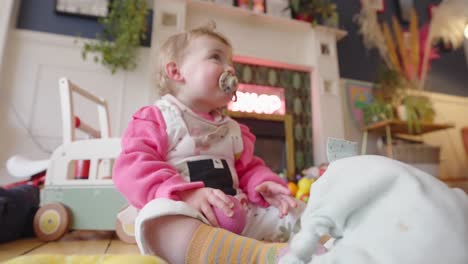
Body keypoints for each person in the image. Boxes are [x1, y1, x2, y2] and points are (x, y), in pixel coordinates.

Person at [113, 23, 307, 264]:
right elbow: (133, 166)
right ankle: (257, 255)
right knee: (156, 218)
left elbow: (248, 168)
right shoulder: (157, 117)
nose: (230, 70)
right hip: (188, 213)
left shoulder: (234, 130)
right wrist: (186, 195)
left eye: (231, 64)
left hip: (239, 212)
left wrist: (263, 183)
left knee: (298, 212)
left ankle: (328, 243)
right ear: (176, 71)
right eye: (216, 57)